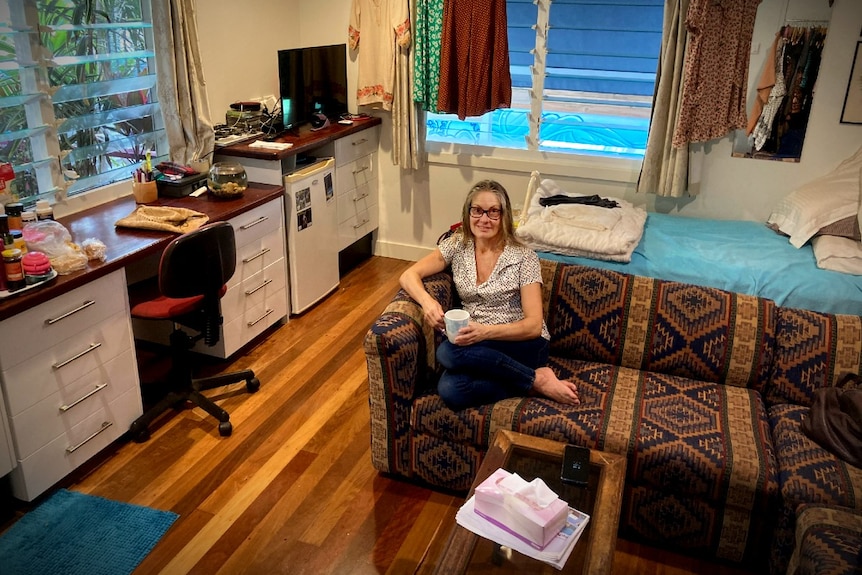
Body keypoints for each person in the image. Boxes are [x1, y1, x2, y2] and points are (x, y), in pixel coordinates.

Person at [399, 180, 580, 410]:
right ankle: (534, 381)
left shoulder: (524, 257)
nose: (484, 219)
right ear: (468, 212)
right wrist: (428, 303)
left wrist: (485, 332)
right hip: (477, 346)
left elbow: (534, 326)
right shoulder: (457, 244)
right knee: (450, 389)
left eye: (493, 212)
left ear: (504, 217)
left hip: (521, 342)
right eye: (478, 211)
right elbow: (408, 275)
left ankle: (535, 376)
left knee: (447, 352)